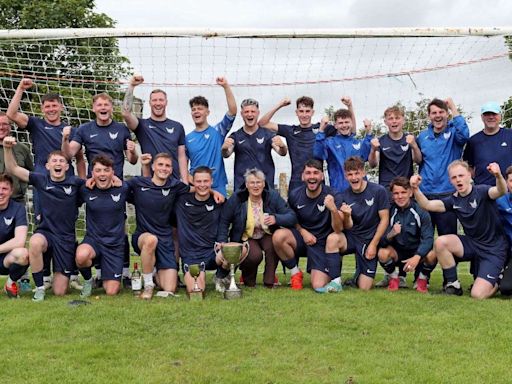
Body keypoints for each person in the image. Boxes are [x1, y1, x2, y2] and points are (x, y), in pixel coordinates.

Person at [7, 79, 86, 290]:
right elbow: (12, 115)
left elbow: (70, 155)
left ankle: (72, 273)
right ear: (42, 108)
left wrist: (65, 138)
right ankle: (46, 275)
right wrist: (20, 89)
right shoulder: (36, 124)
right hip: (44, 184)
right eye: (47, 106)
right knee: (44, 227)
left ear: (61, 107)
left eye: (54, 105)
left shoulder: (73, 130)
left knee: (67, 227)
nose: (51, 109)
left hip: (66, 186)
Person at [62, 92, 138, 286]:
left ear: (111, 108)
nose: (103, 108)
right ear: (93, 108)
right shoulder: (85, 129)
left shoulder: (121, 129)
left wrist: (132, 150)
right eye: (99, 105)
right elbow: (69, 153)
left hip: (116, 185)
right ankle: (96, 273)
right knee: (95, 225)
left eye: (107, 105)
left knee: (119, 227)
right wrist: (64, 139)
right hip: (94, 184)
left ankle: (125, 272)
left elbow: (132, 160)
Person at [127, 153, 223, 299]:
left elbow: (198, 188)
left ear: (172, 169)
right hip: (144, 237)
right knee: (151, 240)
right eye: (160, 164)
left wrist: (213, 191)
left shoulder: (175, 186)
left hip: (165, 239)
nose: (164, 168)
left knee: (169, 287)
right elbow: (118, 187)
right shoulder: (138, 183)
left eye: (167, 166)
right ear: (153, 166)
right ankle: (148, 285)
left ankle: (153, 272)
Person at [411, 160, 508, 299]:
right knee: (441, 242)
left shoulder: (482, 191)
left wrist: (498, 175)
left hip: (493, 249)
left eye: (461, 175)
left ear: (469, 175)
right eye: (454, 177)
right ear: (450, 181)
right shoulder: (453, 200)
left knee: (478, 295)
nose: (458, 180)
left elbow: (501, 190)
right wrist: (415, 188)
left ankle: (498, 279)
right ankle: (453, 285)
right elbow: (427, 204)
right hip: (472, 243)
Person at [4, 137, 84, 301]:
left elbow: (95, 184)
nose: (58, 163)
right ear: (48, 166)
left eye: (62, 161)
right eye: (54, 160)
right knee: (34, 242)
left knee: (60, 291)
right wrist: (6, 148)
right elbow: (12, 168)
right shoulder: (41, 179)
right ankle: (39, 287)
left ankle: (61, 275)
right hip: (46, 233)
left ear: (67, 167)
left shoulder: (76, 183)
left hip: (66, 238)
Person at [368, 105, 422, 288]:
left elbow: (418, 160)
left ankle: (406, 274)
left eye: (397, 118)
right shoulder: (381, 141)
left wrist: (414, 145)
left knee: (407, 231)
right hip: (386, 193)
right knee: (387, 231)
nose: (394, 121)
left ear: (403, 120)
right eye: (390, 118)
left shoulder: (409, 140)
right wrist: (373, 150)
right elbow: (373, 165)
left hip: (405, 193)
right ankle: (389, 273)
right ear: (385, 122)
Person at [272, 159, 344, 292]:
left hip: (322, 243)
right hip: (301, 239)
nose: (312, 177)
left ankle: (332, 267)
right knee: (278, 236)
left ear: (322, 176)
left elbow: (339, 229)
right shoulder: (294, 195)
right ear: (303, 176)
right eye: (308, 173)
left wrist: (333, 209)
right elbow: (292, 219)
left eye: (316, 173)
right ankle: (295, 273)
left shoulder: (333, 195)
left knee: (318, 285)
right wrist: (302, 231)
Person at [218, 168, 296, 288]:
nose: (255, 186)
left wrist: (276, 218)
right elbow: (224, 220)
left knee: (272, 245)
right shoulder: (237, 198)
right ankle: (248, 280)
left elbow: (291, 216)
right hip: (247, 236)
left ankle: (269, 281)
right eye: (252, 183)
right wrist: (222, 240)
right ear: (246, 185)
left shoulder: (273, 196)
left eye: (258, 182)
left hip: (267, 234)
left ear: (264, 184)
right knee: (255, 255)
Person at [257, 96, 352, 192]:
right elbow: (262, 124)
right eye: (301, 111)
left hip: (317, 183)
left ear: (312, 112)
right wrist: (280, 105)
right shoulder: (290, 131)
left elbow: (350, 131)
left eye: (307, 111)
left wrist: (350, 106)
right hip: (296, 184)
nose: (304, 114)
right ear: (296, 113)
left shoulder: (321, 128)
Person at [325, 156, 389, 291]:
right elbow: (346, 227)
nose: (354, 177)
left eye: (357, 173)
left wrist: (373, 244)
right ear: (345, 176)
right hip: (352, 238)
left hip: (369, 239)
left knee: (364, 287)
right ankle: (336, 282)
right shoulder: (343, 196)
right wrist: (346, 215)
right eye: (350, 174)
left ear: (363, 173)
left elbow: (384, 219)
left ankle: (357, 276)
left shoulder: (378, 191)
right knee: (333, 238)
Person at [75, 155, 129, 297]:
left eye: (106, 170)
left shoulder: (123, 188)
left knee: (111, 291)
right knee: (81, 256)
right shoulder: (85, 189)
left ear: (113, 172)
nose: (102, 174)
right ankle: (88, 281)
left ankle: (108, 273)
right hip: (94, 241)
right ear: (92, 173)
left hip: (114, 245)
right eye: (98, 170)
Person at [416, 98, 469, 237]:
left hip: (447, 194)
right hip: (425, 194)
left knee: (448, 240)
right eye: (434, 112)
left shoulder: (454, 132)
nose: (437, 115)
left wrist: (453, 107)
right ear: (429, 116)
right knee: (423, 239)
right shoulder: (422, 136)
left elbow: (465, 135)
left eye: (441, 112)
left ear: (447, 114)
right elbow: (418, 161)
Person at [122, 75, 189, 182]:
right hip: (149, 182)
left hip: (173, 182)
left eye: (161, 100)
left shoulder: (178, 127)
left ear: (166, 102)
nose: (158, 103)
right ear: (150, 103)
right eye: (154, 100)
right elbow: (126, 113)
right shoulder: (142, 125)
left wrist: (185, 182)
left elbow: (182, 157)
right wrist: (131, 86)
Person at [175, 166, 229, 294]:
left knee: (238, 251)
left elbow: (226, 223)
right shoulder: (181, 201)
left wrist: (222, 241)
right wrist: (212, 191)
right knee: (196, 291)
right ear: (193, 181)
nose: (202, 185)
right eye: (198, 181)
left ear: (211, 182)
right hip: (191, 257)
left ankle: (220, 276)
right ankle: (197, 278)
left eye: (206, 181)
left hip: (213, 254)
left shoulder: (220, 202)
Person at [377, 177, 434, 292]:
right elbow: (381, 241)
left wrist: (417, 256)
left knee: (433, 254)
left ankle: (422, 280)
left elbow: (428, 239)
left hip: (417, 253)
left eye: (403, 192)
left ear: (411, 193)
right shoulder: (390, 212)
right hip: (398, 254)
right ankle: (394, 278)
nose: (400, 196)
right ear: (392, 195)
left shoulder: (421, 211)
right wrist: (391, 234)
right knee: (382, 253)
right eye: (396, 193)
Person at [222, 98, 287, 191]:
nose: (249, 114)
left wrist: (282, 146)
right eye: (246, 112)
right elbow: (226, 154)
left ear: (258, 113)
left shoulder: (267, 134)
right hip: (242, 188)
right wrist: (224, 148)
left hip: (265, 187)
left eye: (252, 111)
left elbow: (281, 152)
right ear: (242, 114)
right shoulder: (235, 136)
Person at [186, 77, 236, 196]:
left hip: (217, 185)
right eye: (193, 109)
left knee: (221, 214)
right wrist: (189, 178)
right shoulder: (187, 138)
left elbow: (233, 111)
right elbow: (183, 163)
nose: (196, 111)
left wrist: (226, 86)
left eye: (200, 108)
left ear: (207, 112)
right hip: (197, 187)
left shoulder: (218, 131)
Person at [314, 107, 372, 192]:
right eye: (340, 123)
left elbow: (368, 156)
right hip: (339, 192)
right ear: (335, 125)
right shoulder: (329, 143)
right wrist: (321, 129)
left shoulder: (359, 143)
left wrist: (369, 132)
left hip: (360, 191)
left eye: (346, 122)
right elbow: (317, 154)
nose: (344, 125)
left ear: (352, 123)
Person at [463, 101, 512, 186]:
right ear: (482, 117)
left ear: (500, 116)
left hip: (508, 192)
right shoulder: (473, 141)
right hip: (483, 192)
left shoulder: (510, 135)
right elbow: (469, 167)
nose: (491, 117)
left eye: (494, 114)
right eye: (487, 114)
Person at [0, 173, 29, 298]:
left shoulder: (18, 208)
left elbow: (19, 241)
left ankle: (10, 284)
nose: (0, 192)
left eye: (4, 189)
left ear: (11, 191)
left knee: (23, 254)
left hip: (6, 258)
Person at [0, 112, 34, 202]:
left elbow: (31, 175)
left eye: (4, 124)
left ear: (10, 127)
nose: (1, 127)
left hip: (17, 202)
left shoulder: (22, 149)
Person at [496, 165, 512, 296]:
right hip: (508, 251)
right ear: (506, 182)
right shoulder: (501, 201)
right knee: (506, 289)